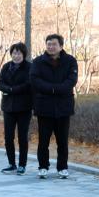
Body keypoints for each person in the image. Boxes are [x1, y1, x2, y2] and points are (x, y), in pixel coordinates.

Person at [30, 33, 78, 179]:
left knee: (62, 140)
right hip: (44, 107)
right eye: (49, 44)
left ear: (61, 46)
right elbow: (35, 80)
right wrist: (52, 89)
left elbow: (72, 80)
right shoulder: (38, 61)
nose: (51, 47)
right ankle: (43, 166)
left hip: (63, 107)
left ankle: (62, 167)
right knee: (43, 141)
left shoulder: (70, 61)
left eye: (54, 44)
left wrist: (55, 89)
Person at [0, 42, 33, 175]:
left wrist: (12, 90)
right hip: (8, 107)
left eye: (19, 53)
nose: (16, 55)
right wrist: (9, 89)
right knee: (8, 137)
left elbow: (29, 84)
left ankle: (22, 165)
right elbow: (0, 83)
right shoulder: (6, 67)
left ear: (23, 54)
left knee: (22, 137)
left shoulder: (29, 67)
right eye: (14, 53)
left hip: (24, 107)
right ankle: (11, 163)